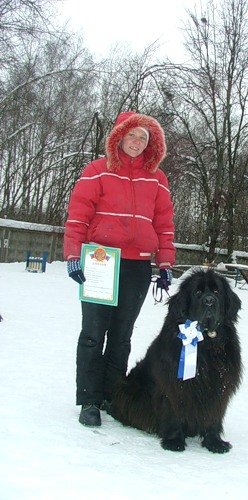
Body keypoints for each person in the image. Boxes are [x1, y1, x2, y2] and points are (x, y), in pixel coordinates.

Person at [64, 111, 175, 427]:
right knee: (93, 332)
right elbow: (78, 216)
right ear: (118, 137)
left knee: (122, 336)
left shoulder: (158, 179)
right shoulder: (96, 171)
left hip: (138, 265)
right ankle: (89, 399)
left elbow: (164, 224)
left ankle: (112, 396)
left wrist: (165, 262)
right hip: (101, 262)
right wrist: (74, 255)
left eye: (144, 137)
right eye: (132, 136)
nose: (138, 142)